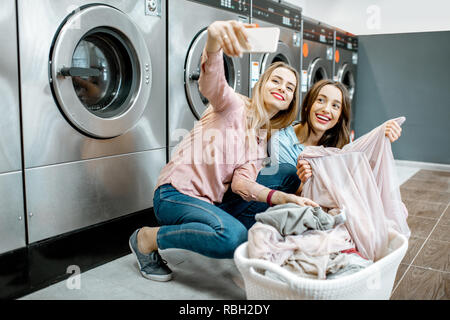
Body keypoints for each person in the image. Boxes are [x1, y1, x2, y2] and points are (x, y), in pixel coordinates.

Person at [128, 20, 318, 282]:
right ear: (261, 84)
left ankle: (247, 245)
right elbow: (211, 83)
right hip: (174, 194)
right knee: (233, 237)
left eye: (289, 87)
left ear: (291, 102)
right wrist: (214, 40)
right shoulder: (233, 104)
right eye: (276, 80)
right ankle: (147, 238)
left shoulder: (260, 137)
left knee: (286, 174)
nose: (282, 89)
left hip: (211, 202)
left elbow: (242, 184)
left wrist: (283, 198)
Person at [268, 79, 402, 193]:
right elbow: (292, 192)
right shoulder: (281, 141)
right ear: (307, 105)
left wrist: (380, 136)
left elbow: (358, 176)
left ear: (339, 118)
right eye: (320, 100)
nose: (326, 109)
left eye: (335, 106)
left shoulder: (342, 140)